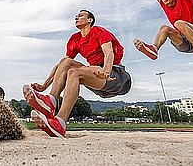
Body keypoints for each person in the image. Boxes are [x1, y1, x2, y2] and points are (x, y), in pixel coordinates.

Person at [23, 9, 132, 137]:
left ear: (90, 20)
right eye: (76, 16)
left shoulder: (98, 31)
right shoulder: (75, 39)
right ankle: (50, 101)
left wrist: (107, 72)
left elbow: (109, 53)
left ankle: (60, 122)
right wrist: (44, 86)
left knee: (74, 73)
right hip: (96, 76)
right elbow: (61, 65)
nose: (77, 17)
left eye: (81, 16)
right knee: (66, 62)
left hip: (115, 76)